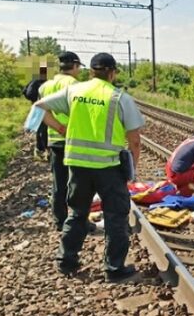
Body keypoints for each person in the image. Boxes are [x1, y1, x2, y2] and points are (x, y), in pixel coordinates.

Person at [35, 52, 144, 282]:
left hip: (77, 165)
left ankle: (66, 261)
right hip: (109, 167)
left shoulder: (74, 91)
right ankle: (114, 269)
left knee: (77, 213)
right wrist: (132, 167)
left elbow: (38, 107)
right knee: (115, 217)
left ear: (90, 71)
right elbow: (134, 139)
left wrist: (60, 128)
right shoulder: (120, 98)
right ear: (112, 73)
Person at [38, 51, 84, 231]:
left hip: (54, 140)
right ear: (74, 66)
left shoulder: (45, 86)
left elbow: (40, 111)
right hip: (73, 140)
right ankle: (77, 220)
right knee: (78, 183)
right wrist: (65, 129)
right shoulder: (76, 85)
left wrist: (57, 127)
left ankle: (59, 221)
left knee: (59, 182)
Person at [22, 65, 49, 155]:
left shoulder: (33, 81)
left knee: (39, 127)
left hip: (35, 106)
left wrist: (33, 100)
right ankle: (45, 149)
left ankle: (39, 148)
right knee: (44, 128)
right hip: (44, 106)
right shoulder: (45, 82)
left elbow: (25, 91)